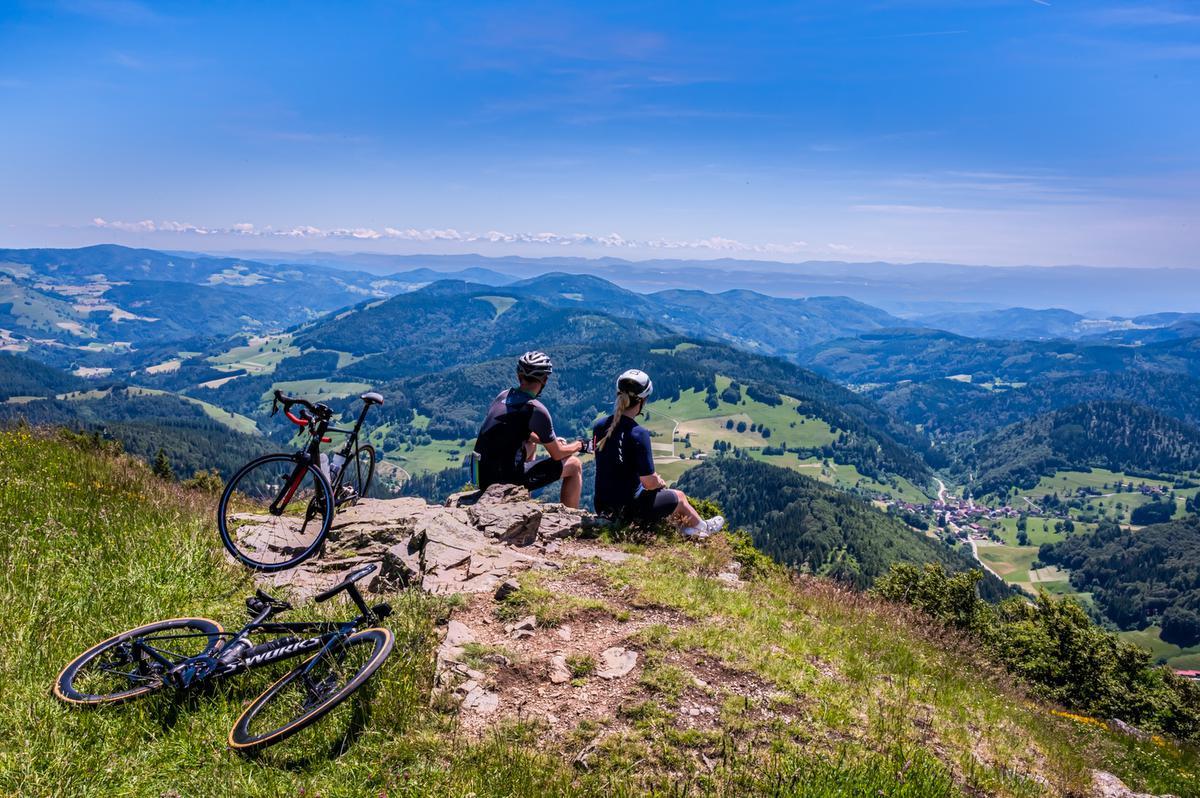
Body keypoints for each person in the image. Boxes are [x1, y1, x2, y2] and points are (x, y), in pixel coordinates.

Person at [592, 368, 724, 539]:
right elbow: (649, 483)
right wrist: (659, 481)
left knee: (659, 497)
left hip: (602, 506)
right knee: (679, 496)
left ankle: (688, 530)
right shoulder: (638, 433)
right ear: (643, 400)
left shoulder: (599, 426)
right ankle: (703, 528)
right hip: (628, 511)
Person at [472, 351, 584, 508]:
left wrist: (545, 440)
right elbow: (557, 454)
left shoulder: (504, 395)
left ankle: (524, 504)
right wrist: (579, 445)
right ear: (544, 380)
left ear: (519, 376)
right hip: (502, 482)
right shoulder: (535, 409)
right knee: (574, 465)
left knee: (530, 446)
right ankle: (571, 517)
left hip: (481, 475)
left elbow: (512, 430)